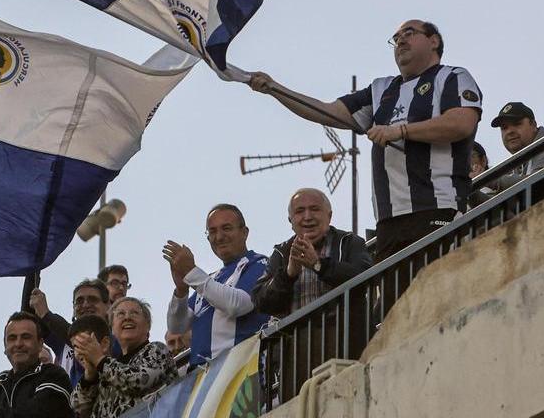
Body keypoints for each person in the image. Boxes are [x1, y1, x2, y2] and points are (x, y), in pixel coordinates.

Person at [248, 19, 482, 260]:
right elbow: (326, 111)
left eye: (409, 33)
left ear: (434, 41)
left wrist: (400, 131)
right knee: (398, 296)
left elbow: (461, 122)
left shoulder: (452, 76)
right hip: (389, 222)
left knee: (436, 290)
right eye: (396, 37)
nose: (400, 40)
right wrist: (275, 89)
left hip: (438, 207)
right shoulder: (382, 88)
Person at [163, 204, 269, 367]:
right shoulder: (211, 279)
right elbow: (177, 326)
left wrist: (191, 273)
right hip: (204, 380)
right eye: (212, 231)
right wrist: (181, 290)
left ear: (244, 232)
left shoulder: (259, 263)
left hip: (241, 371)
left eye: (226, 228)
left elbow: (239, 305)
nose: (219, 237)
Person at [252, 188, 374, 317]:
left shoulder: (348, 242)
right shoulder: (281, 252)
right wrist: (288, 276)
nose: (308, 217)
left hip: (344, 334)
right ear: (291, 221)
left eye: (315, 209)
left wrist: (319, 265)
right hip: (297, 336)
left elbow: (366, 279)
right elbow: (260, 302)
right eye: (300, 211)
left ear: (329, 216)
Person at [70, 299, 176, 418]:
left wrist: (99, 360)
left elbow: (138, 381)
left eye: (134, 313)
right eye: (120, 314)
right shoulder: (109, 368)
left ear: (147, 326)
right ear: (112, 329)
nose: (127, 317)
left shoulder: (157, 350)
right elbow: (77, 405)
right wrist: (90, 375)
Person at [30, 279, 117, 386]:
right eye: (79, 301)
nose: (85, 305)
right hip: (70, 401)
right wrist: (31, 274)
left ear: (108, 306)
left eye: (93, 299)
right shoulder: (62, 342)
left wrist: (46, 315)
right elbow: (29, 317)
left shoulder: (115, 340)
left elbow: (82, 338)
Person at [487, 102, 544, 191]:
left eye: (516, 124)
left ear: (533, 125)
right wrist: (473, 189)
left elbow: (534, 186)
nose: (509, 131)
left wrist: (491, 180)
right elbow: (501, 203)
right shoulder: (517, 165)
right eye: (504, 128)